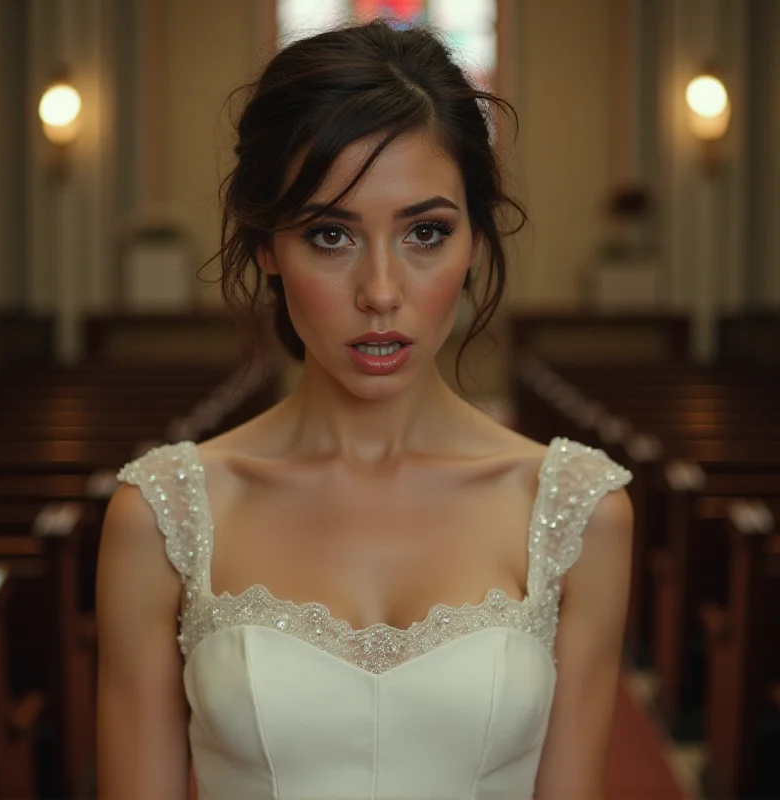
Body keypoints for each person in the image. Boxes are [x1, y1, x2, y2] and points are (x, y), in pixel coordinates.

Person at [96, 17, 633, 800]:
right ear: (267, 248)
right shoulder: (161, 513)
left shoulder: (580, 513)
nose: (381, 292)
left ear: (476, 242)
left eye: (424, 232)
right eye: (329, 235)